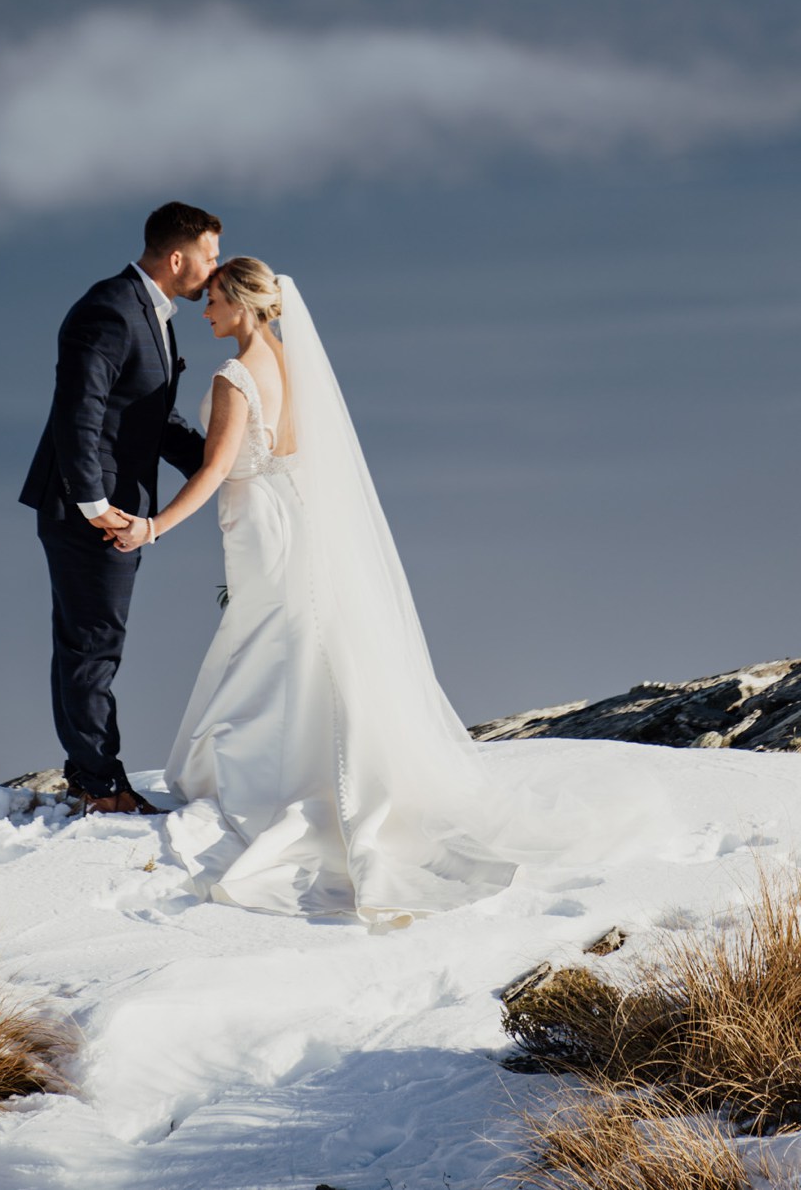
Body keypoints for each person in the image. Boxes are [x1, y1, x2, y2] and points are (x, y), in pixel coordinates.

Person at [111, 259, 672, 928]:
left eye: (213, 302)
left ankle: (289, 772)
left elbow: (217, 470)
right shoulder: (294, 365)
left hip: (261, 524)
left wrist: (152, 526)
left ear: (242, 304)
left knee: (275, 641)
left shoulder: (233, 377)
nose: (205, 311)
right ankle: (315, 757)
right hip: (294, 514)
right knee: (298, 638)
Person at [19, 202, 221, 815]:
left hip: (117, 507)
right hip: (91, 510)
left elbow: (153, 418)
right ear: (178, 257)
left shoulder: (154, 316)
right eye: (209, 257)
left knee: (92, 643)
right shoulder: (108, 308)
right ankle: (100, 786)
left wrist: (225, 466)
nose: (214, 271)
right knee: (92, 646)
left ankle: (92, 775)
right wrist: (94, 504)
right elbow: (79, 410)